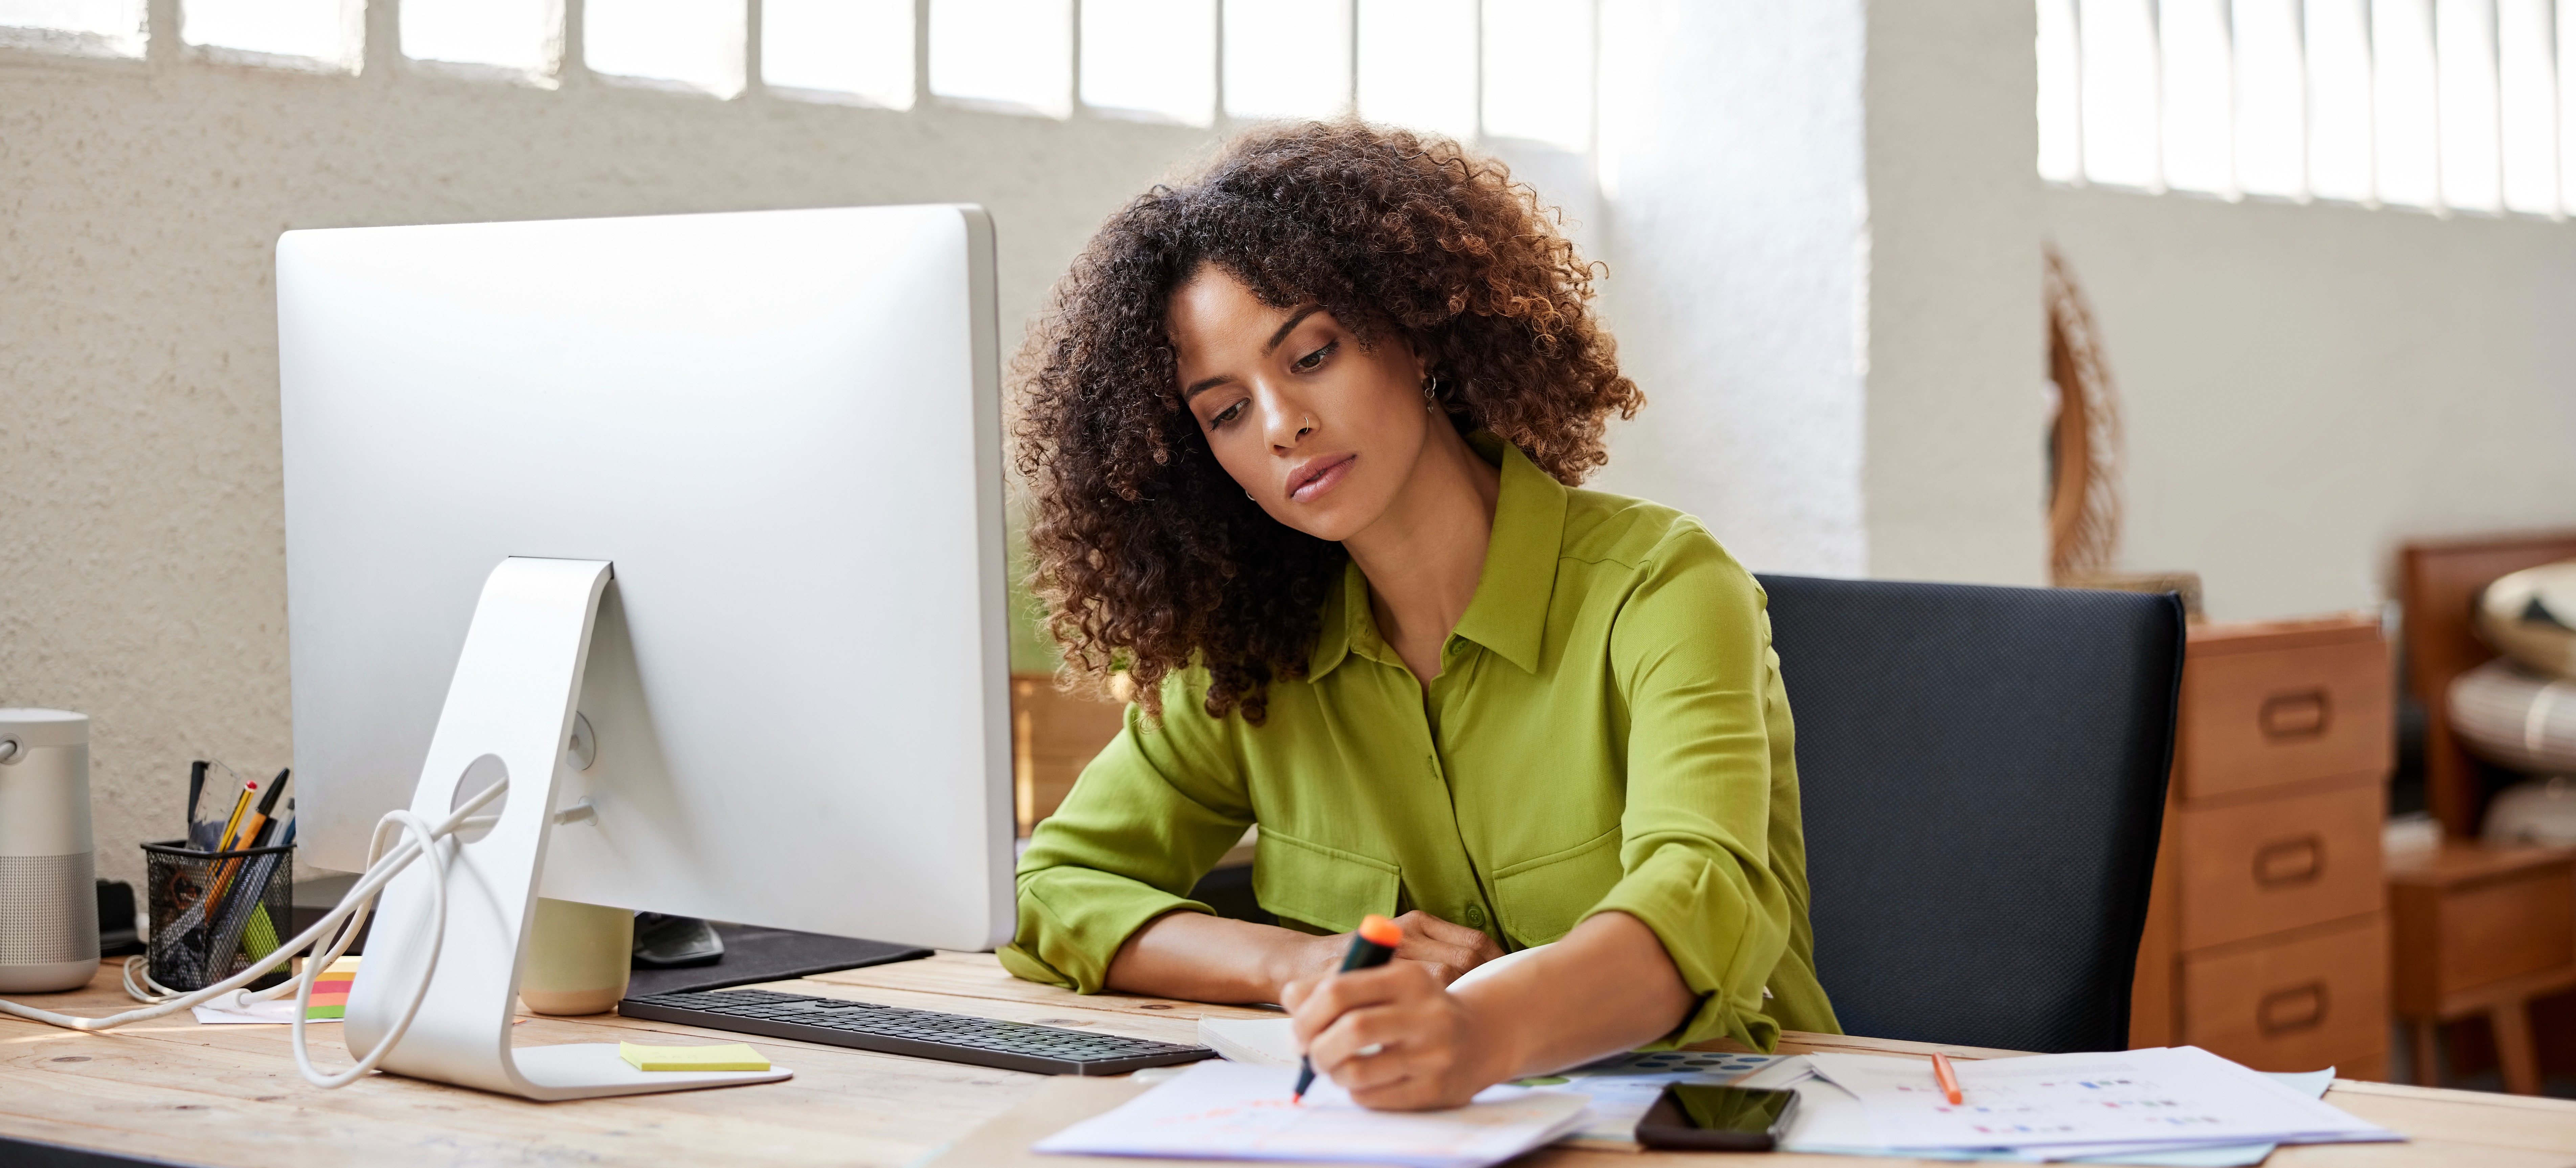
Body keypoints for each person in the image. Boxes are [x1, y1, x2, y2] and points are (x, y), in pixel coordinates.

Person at [1001, 119, 1838, 1110]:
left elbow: (1702, 899)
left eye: (1312, 354)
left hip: (1720, 1119)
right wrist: (1297, 965)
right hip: (1407, 1133)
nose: (1282, 425)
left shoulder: (1662, 588)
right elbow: (1053, 890)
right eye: (1226, 411)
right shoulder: (1250, 654)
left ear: (1416, 328)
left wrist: (1477, 1030)